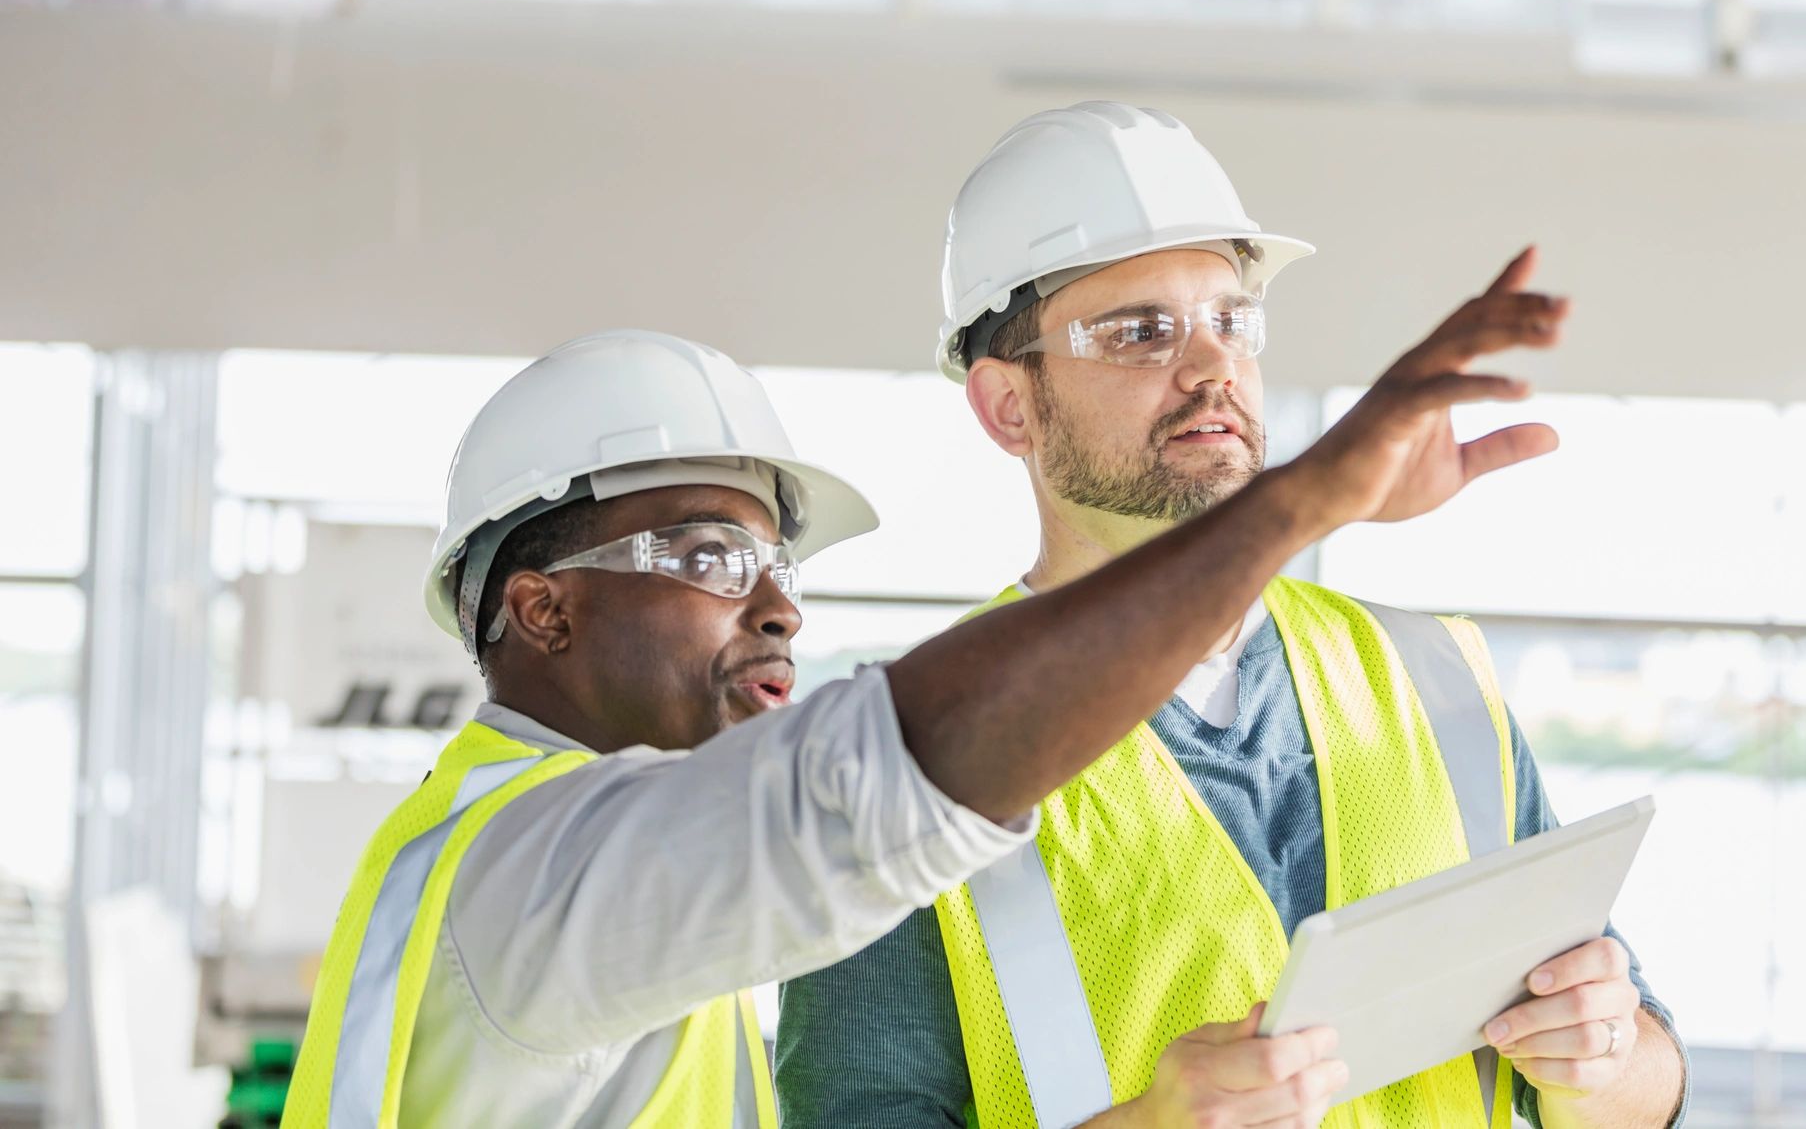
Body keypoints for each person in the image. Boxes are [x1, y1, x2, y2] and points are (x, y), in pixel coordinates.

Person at [285, 311, 1556, 1128]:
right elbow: (871, 784)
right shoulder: (540, 871)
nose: (778, 607)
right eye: (715, 554)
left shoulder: (548, 853)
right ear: (544, 611)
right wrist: (1289, 508)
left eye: (782, 565)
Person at [775, 103, 1688, 1129]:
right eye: (1140, 332)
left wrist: (1597, 1058)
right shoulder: (908, 758)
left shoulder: (1431, 677)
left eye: (1230, 319)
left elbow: (1644, 1083)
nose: (1209, 365)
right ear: (1009, 406)